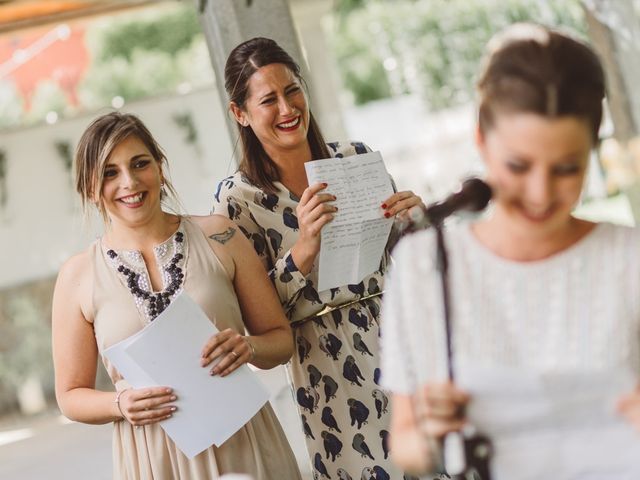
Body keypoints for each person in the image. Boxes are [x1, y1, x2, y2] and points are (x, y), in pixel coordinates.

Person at [381, 23, 640, 477]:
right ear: (480, 137)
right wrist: (429, 436)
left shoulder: (628, 258)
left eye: (566, 169)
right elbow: (406, 447)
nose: (539, 194)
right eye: (518, 165)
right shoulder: (425, 264)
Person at [211, 37, 423, 479]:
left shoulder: (356, 157)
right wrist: (304, 246)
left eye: (292, 90)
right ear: (241, 114)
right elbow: (258, 317)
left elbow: (410, 259)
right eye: (268, 100)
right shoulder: (238, 201)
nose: (288, 109)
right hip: (326, 364)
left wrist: (415, 220)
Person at [52, 112, 302, 480]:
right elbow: (70, 395)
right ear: (90, 188)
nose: (130, 181)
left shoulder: (222, 236)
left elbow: (281, 341)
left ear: (160, 167)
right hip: (152, 457)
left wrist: (249, 347)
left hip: (243, 440)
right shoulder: (77, 275)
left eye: (141, 164)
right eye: (110, 172)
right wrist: (119, 404)